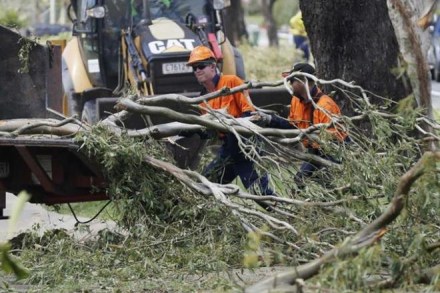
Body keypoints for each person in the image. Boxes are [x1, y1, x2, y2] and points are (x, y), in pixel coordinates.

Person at [186, 45, 275, 209]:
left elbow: (250, 115)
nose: (196, 71)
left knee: (262, 195)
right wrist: (193, 130)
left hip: (245, 147)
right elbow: (210, 133)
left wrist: (227, 121)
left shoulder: (232, 82)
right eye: (193, 68)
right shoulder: (202, 99)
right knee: (206, 183)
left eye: (200, 66)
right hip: (227, 149)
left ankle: (284, 214)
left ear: (213, 66)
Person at [251, 63, 349, 186]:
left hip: (334, 150)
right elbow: (293, 125)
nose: (290, 85)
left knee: (328, 181)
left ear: (304, 81)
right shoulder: (296, 101)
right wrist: (269, 119)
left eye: (292, 81)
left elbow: (331, 141)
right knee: (300, 180)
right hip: (315, 150)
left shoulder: (325, 106)